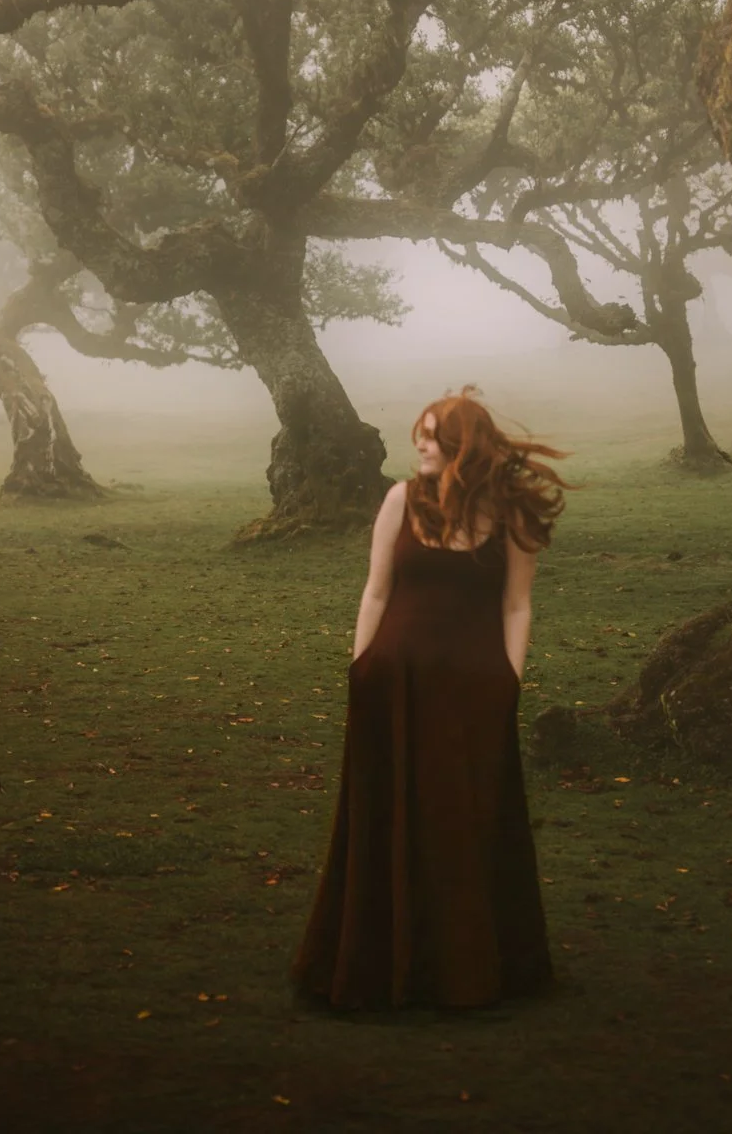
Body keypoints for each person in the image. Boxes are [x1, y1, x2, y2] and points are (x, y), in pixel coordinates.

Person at [291, 389, 574, 1011]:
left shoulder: (511, 512)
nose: (419, 444)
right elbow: (376, 591)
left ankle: (464, 970)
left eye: (431, 435)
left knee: (463, 820)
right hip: (392, 682)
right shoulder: (400, 499)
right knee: (386, 817)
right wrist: (360, 668)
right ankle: (378, 964)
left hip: (473, 688)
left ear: (463, 446)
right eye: (418, 433)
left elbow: (517, 605)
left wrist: (509, 681)